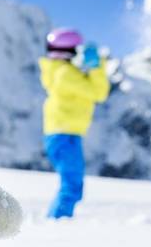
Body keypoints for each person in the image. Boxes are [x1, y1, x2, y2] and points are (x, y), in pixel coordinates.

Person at [39, 28, 110, 219]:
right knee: (72, 186)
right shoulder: (66, 74)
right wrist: (96, 66)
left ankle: (56, 221)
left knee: (72, 185)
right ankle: (56, 224)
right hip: (65, 135)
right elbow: (99, 92)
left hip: (64, 134)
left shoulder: (61, 71)